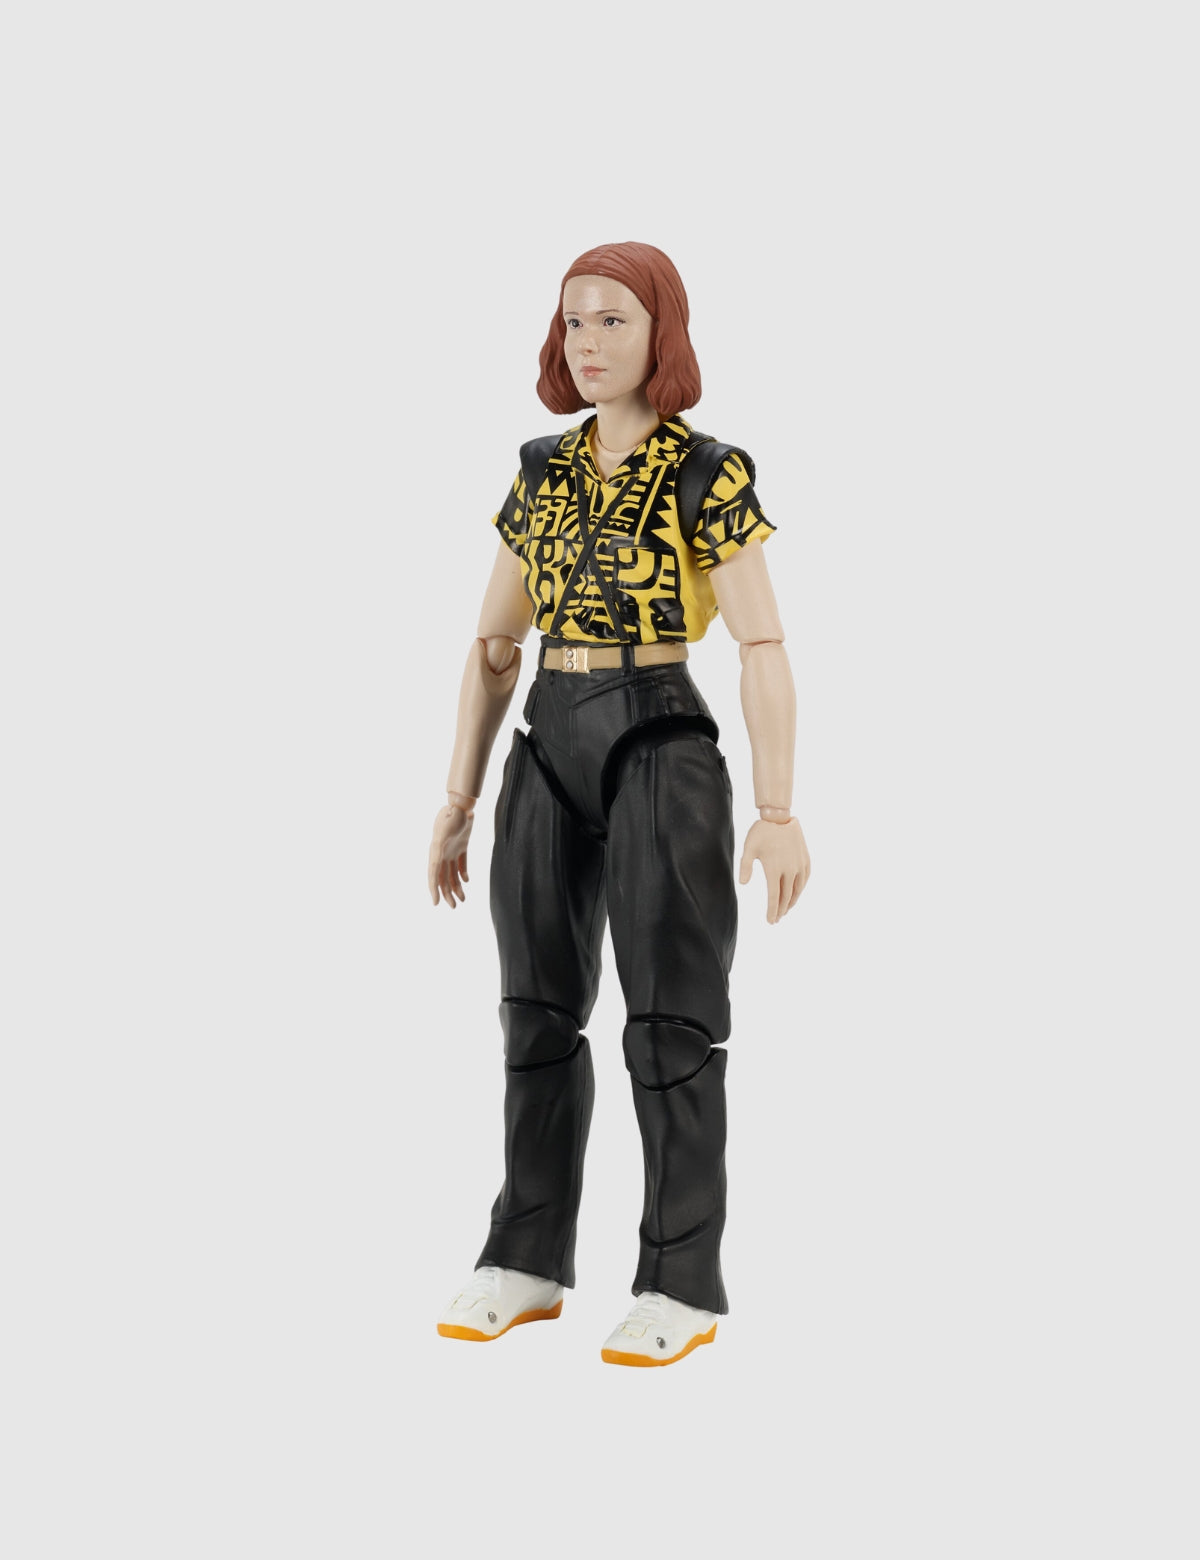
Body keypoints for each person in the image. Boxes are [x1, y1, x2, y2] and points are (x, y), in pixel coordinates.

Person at [427, 242, 810, 1367]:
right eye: (574, 323)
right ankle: (526, 1257)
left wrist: (778, 807)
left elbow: (763, 644)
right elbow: (495, 642)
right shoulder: (541, 470)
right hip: (550, 731)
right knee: (534, 1012)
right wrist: (458, 793)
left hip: (658, 733)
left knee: (672, 1021)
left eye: (614, 322)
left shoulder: (708, 474)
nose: (589, 343)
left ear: (661, 334)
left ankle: (680, 1279)